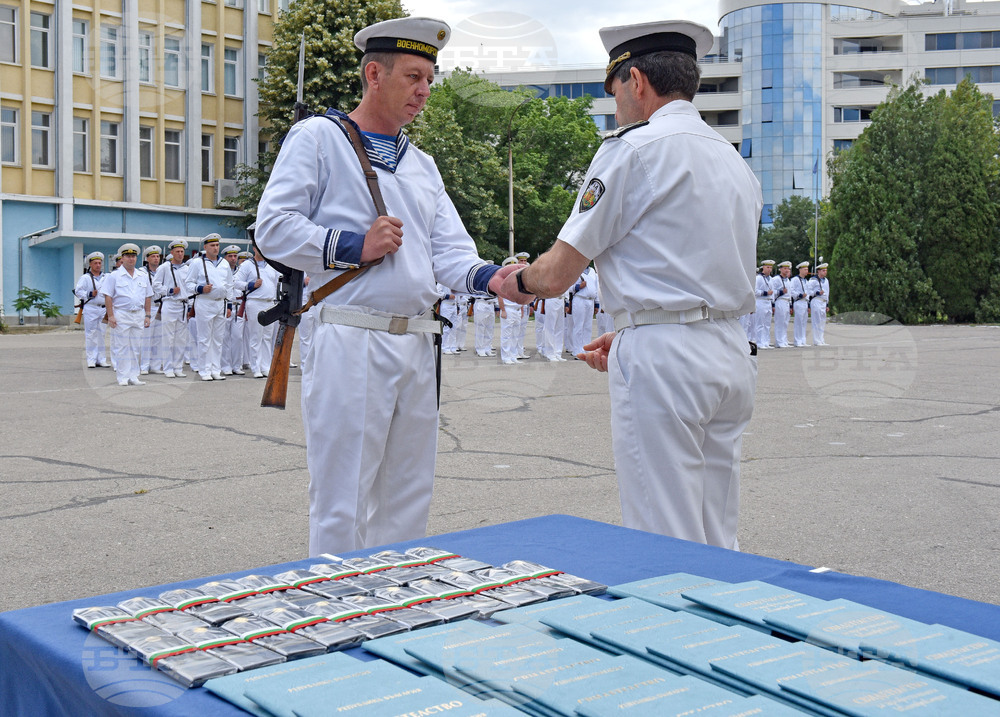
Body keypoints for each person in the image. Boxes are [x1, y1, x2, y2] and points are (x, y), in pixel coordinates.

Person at [254, 17, 523, 554]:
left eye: (430, 79)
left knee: (407, 496)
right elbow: (273, 227)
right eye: (413, 76)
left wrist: (493, 277)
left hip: (418, 341)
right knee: (343, 498)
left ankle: (396, 609)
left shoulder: (422, 164)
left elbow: (449, 252)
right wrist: (355, 246)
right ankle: (336, 616)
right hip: (354, 336)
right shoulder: (319, 138)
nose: (424, 91)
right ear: (374, 74)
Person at [500, 20, 761, 549]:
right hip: (730, 349)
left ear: (636, 82)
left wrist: (517, 281)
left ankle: (677, 629)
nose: (615, 105)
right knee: (717, 531)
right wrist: (635, 329)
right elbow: (698, 266)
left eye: (614, 89)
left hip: (666, 360)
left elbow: (559, 272)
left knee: (663, 535)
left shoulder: (633, 150)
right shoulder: (732, 160)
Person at [184, 233, 233, 381]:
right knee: (204, 338)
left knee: (218, 339)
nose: (215, 248)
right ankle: (204, 370)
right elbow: (188, 284)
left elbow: (230, 285)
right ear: (205, 247)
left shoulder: (224, 263)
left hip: (220, 303)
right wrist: (200, 289)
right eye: (212, 245)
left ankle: (215, 369)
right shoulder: (197, 263)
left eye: (217, 245)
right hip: (205, 302)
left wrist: (229, 304)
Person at [103, 243, 152, 386]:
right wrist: (111, 315)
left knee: (136, 346)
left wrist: (148, 315)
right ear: (122, 258)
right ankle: (123, 377)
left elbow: (148, 296)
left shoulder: (142, 276)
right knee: (122, 346)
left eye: (133, 256)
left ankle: (134, 376)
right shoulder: (114, 276)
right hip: (122, 314)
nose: (131, 259)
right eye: (128, 256)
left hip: (138, 314)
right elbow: (108, 297)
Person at [234, 241, 281, 378]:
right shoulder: (247, 265)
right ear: (254, 248)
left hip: (269, 302)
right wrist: (251, 285)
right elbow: (236, 282)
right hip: (255, 302)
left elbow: (279, 281)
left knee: (267, 336)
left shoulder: (272, 265)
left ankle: (265, 366)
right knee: (256, 335)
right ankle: (256, 367)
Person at [153, 240, 190, 377]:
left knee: (181, 339)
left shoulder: (187, 269)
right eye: (177, 251)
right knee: (168, 338)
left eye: (182, 251)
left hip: (183, 305)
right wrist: (169, 290)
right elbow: (155, 285)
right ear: (172, 252)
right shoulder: (164, 267)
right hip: (169, 303)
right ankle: (168, 368)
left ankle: (178, 367)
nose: (180, 254)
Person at [74, 252, 109, 368]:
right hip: (91, 307)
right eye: (95, 263)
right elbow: (78, 291)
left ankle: (102, 359)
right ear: (90, 264)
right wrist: (89, 294)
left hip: (103, 308)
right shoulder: (85, 278)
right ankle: (91, 359)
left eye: (99, 263)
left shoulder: (106, 277)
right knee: (91, 334)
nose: (98, 265)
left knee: (102, 334)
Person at [140, 246, 164, 374]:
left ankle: (155, 365)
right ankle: (144, 365)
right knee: (146, 338)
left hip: (160, 307)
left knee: (158, 338)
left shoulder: (163, 270)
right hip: (148, 307)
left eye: (157, 256)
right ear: (147, 258)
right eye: (153, 256)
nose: (156, 258)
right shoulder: (141, 273)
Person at [497, 257, 525, 364]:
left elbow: (521, 295)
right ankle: (506, 356)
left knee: (515, 334)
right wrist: (502, 309)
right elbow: (500, 296)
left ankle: (513, 355)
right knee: (506, 334)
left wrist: (521, 308)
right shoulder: (502, 280)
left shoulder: (518, 279)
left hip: (517, 309)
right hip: (508, 309)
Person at [569, 265, 597, 356]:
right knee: (578, 325)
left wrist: (596, 303)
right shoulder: (575, 269)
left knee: (588, 326)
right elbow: (568, 287)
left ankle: (586, 349)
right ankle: (577, 350)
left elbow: (595, 286)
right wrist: (578, 286)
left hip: (591, 300)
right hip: (580, 298)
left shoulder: (592, 271)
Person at [771, 260, 792, 348]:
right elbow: (772, 291)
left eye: (788, 268)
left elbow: (790, 293)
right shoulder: (776, 279)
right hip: (780, 300)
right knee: (780, 322)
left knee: (785, 322)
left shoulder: (787, 280)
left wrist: (791, 305)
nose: (786, 270)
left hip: (787, 301)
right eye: (785, 268)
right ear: (780, 269)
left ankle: (784, 340)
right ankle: (779, 341)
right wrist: (780, 292)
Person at [808, 262, 830, 346]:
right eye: (823, 270)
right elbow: (809, 291)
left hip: (823, 302)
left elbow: (827, 292)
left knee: (822, 321)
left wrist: (827, 304)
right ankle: (816, 340)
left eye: (826, 270)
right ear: (819, 271)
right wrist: (817, 292)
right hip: (816, 300)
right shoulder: (813, 280)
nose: (825, 272)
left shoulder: (826, 280)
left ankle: (821, 339)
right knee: (817, 321)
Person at [754, 260, 775, 349]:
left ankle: (766, 342)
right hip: (761, 301)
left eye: (770, 267)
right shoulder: (759, 278)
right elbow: (755, 291)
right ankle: (759, 342)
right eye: (767, 267)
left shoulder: (771, 279)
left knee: (767, 324)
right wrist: (765, 293)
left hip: (768, 301)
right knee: (760, 323)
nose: (769, 269)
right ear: (763, 267)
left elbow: (773, 292)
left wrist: (773, 304)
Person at [791, 261, 811, 347]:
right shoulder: (795, 279)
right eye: (805, 269)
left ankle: (803, 340)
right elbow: (791, 291)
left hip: (805, 302)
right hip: (799, 301)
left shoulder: (806, 281)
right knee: (798, 322)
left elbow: (809, 292)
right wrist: (799, 295)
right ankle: (797, 341)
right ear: (800, 270)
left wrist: (809, 305)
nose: (807, 271)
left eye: (807, 269)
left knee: (803, 322)